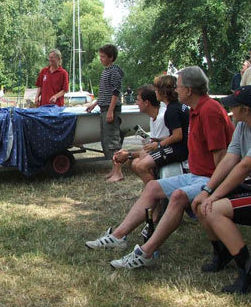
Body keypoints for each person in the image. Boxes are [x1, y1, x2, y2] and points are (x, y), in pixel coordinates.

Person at [85, 66, 235, 270]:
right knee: (152, 187)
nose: (176, 90)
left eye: (178, 86)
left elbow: (222, 158)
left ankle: (145, 253)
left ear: (189, 90)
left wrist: (212, 191)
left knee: (178, 196)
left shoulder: (209, 111)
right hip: (197, 175)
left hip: (209, 179)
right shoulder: (195, 109)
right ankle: (118, 236)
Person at [192, 86, 251, 294]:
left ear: (246, 110)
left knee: (213, 209)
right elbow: (230, 159)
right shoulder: (242, 125)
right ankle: (222, 253)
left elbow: (245, 166)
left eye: (234, 105)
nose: (230, 109)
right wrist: (207, 191)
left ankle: (249, 271)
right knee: (201, 203)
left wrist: (214, 196)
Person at [114, 76, 189, 186]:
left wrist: (158, 144)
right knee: (138, 160)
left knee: (141, 164)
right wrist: (158, 141)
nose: (155, 92)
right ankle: (153, 190)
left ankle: (156, 192)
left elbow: (177, 136)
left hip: (180, 150)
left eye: (157, 90)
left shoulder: (169, 112)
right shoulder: (176, 107)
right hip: (181, 147)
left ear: (164, 93)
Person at [112, 84, 169, 184]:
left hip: (170, 156)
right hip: (162, 153)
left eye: (138, 100)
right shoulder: (153, 116)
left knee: (140, 159)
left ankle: (158, 189)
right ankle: (152, 188)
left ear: (146, 103)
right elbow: (152, 147)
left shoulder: (161, 118)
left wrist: (128, 154)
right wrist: (128, 153)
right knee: (135, 162)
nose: (136, 103)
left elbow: (158, 149)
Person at [86, 44, 125, 182]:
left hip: (110, 109)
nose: (100, 59)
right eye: (100, 56)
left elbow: (115, 92)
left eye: (103, 56)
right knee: (106, 140)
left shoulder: (114, 72)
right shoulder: (106, 71)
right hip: (104, 108)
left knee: (113, 141)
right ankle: (113, 170)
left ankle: (118, 173)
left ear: (111, 57)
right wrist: (94, 104)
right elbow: (105, 93)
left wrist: (110, 111)